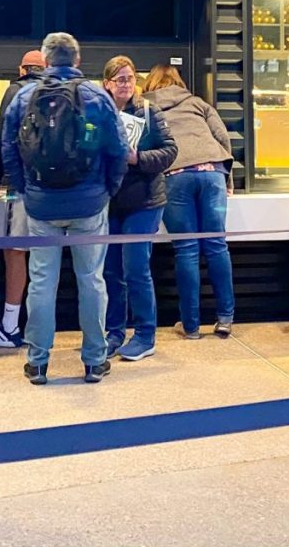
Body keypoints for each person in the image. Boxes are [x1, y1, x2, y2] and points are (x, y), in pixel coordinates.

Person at [3, 32, 128, 385]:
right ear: (77, 60)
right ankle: (94, 360)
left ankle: (38, 362)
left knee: (42, 281)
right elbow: (117, 149)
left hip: (42, 204)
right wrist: (107, 190)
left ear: (45, 60)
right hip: (90, 202)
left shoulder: (25, 95)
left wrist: (26, 190)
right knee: (91, 279)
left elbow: (9, 147)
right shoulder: (96, 96)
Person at [143, 65, 236, 339]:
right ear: (178, 82)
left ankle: (191, 326)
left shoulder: (146, 109)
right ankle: (225, 319)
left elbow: (146, 147)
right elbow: (222, 137)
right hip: (211, 173)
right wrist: (226, 175)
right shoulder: (196, 102)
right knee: (217, 245)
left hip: (175, 174)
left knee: (186, 249)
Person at [101, 56, 177, 361]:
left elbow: (171, 151)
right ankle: (114, 332)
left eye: (130, 78)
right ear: (106, 83)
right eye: (120, 79)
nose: (126, 84)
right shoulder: (100, 114)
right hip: (111, 202)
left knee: (136, 268)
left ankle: (145, 334)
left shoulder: (149, 111)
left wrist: (138, 159)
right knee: (110, 271)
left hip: (145, 201)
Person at [0, 49, 44, 349]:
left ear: (21, 69)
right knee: (46, 259)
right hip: (52, 189)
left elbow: (4, 139)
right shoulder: (57, 92)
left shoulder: (14, 91)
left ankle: (11, 327)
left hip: (21, 187)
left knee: (15, 253)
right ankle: (41, 328)